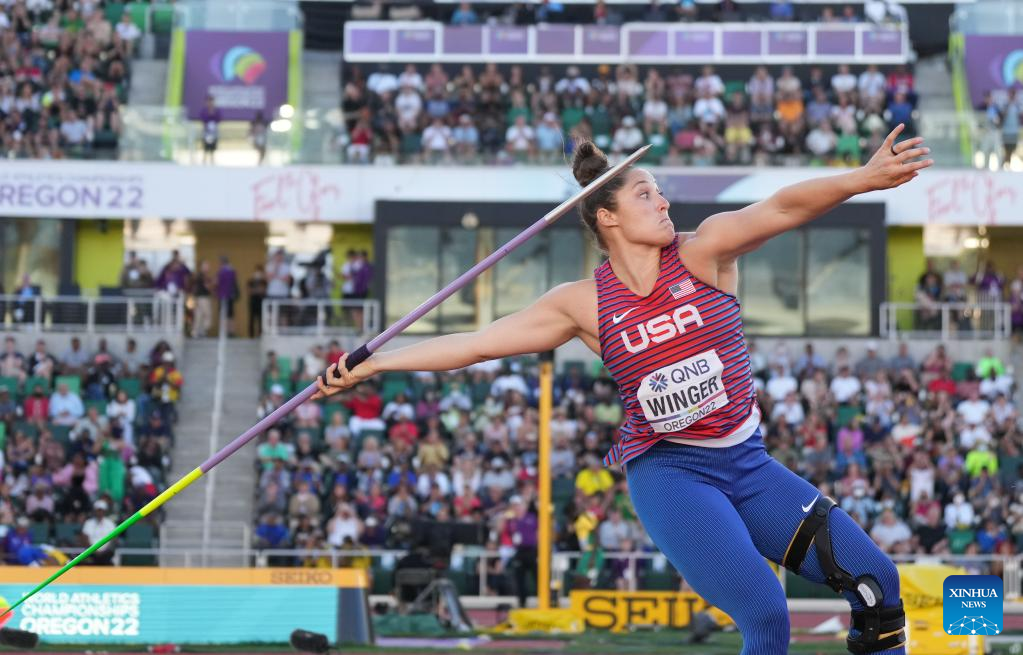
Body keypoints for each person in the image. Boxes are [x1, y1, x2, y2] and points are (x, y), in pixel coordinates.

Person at [317, 125, 931, 654]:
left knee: (877, 582)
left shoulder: (703, 253)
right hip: (672, 475)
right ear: (606, 216)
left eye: (660, 190)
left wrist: (861, 178)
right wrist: (375, 364)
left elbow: (782, 207)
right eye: (646, 193)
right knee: (767, 614)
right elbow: (474, 344)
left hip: (749, 464)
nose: (663, 200)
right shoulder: (582, 304)